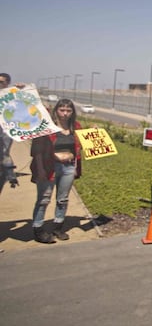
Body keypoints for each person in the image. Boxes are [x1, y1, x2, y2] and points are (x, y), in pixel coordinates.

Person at [30, 98, 83, 244]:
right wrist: (40, 169)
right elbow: (37, 149)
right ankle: (38, 229)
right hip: (49, 168)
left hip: (68, 167)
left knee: (63, 199)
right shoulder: (46, 127)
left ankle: (58, 226)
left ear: (72, 112)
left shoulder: (76, 127)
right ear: (56, 110)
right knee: (43, 199)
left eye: (68, 110)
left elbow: (80, 148)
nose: (65, 113)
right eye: (62, 110)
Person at [0, 73, 20, 194]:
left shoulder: (11, 97)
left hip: (4, 134)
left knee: (4, 154)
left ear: (7, 84)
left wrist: (21, 90)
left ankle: (8, 173)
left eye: (1, 82)